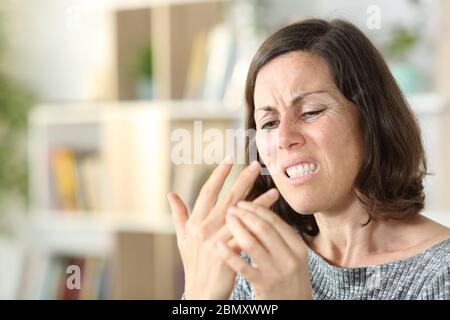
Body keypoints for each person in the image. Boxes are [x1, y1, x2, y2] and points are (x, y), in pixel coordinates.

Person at [167, 18, 450, 300]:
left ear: (371, 119)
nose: (284, 137)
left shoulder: (440, 274)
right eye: (268, 123)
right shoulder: (253, 261)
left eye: (311, 112)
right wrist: (197, 296)